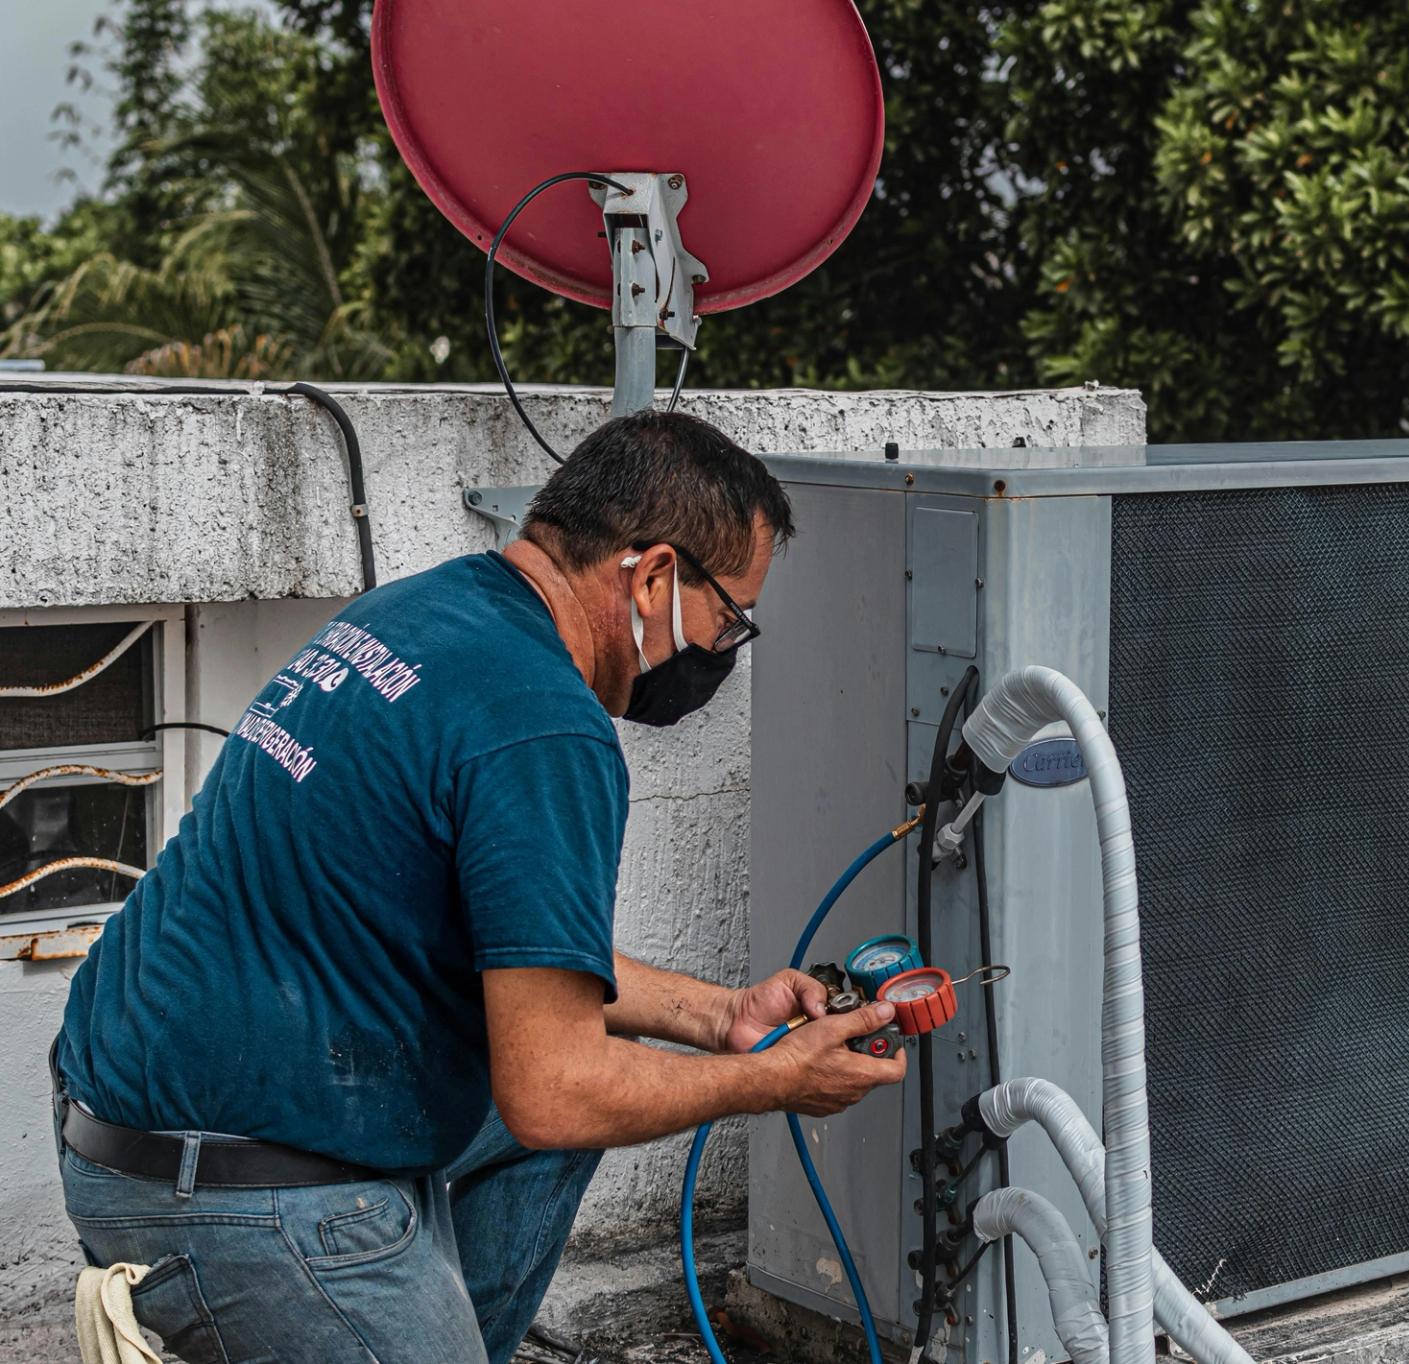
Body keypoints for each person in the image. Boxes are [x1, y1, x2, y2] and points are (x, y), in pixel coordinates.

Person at [50, 410, 904, 1364]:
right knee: (574, 1099)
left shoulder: (417, 614)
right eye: (731, 619)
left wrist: (721, 1017)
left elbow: (526, 959)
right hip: (234, 1191)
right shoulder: (546, 727)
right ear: (656, 575)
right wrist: (773, 1078)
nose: (726, 650)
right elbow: (556, 1089)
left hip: (117, 1109)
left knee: (561, 1109)